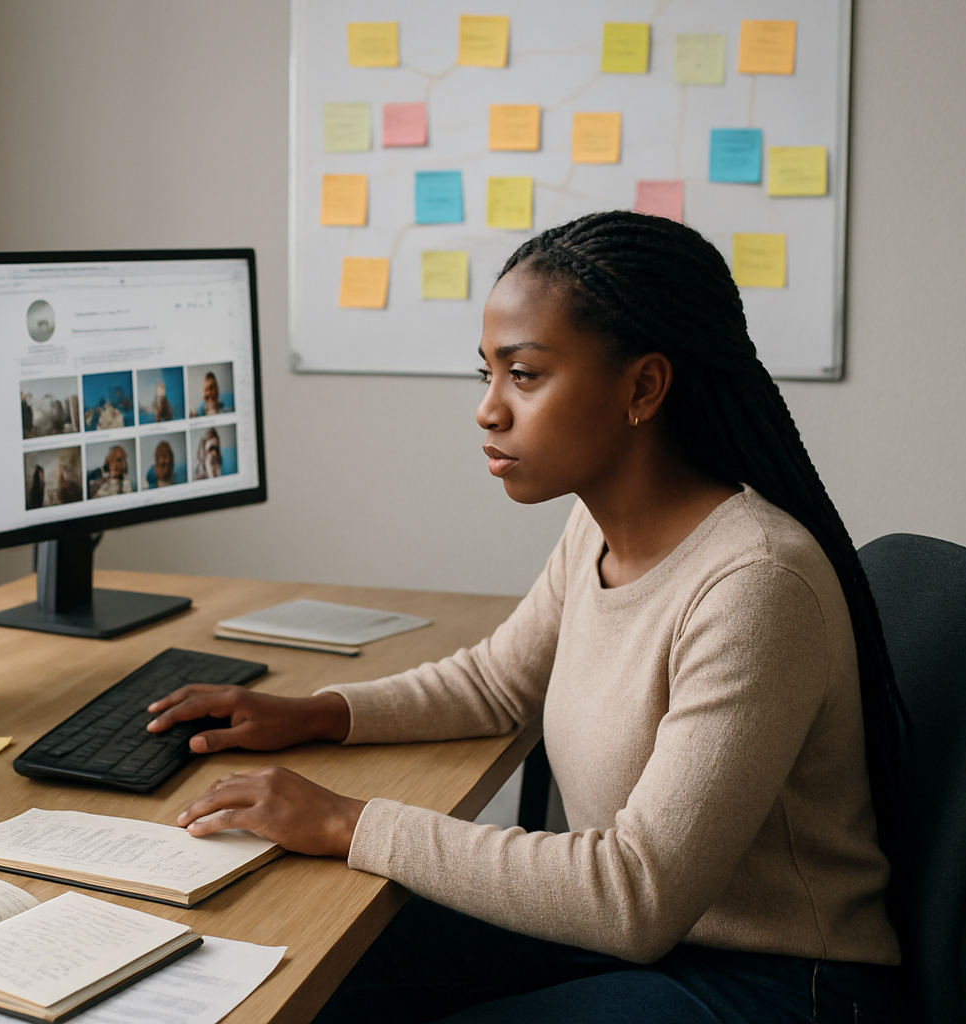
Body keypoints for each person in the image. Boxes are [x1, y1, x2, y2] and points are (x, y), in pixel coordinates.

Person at [146, 211, 909, 1023]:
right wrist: (311, 714)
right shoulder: (599, 524)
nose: (488, 410)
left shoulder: (755, 584)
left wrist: (348, 820)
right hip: (636, 936)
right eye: (486, 374)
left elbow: (635, 894)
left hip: (776, 981)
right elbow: (496, 684)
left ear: (643, 387)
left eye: (526, 375)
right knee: (310, 976)